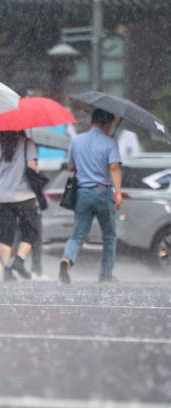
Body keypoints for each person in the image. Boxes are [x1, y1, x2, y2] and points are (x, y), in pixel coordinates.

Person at [59, 109, 122, 284]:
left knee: (77, 236)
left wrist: (86, 165)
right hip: (103, 193)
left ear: (91, 122)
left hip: (82, 193)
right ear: (106, 124)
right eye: (110, 124)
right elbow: (114, 168)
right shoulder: (110, 143)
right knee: (109, 236)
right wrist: (118, 193)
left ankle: (67, 260)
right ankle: (106, 274)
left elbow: (71, 167)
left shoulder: (76, 141)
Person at [0, 131, 41, 281]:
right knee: (31, 231)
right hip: (24, 195)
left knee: (6, 234)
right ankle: (18, 260)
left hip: (3, 196)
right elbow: (32, 166)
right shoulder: (27, 143)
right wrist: (37, 170)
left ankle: (6, 270)